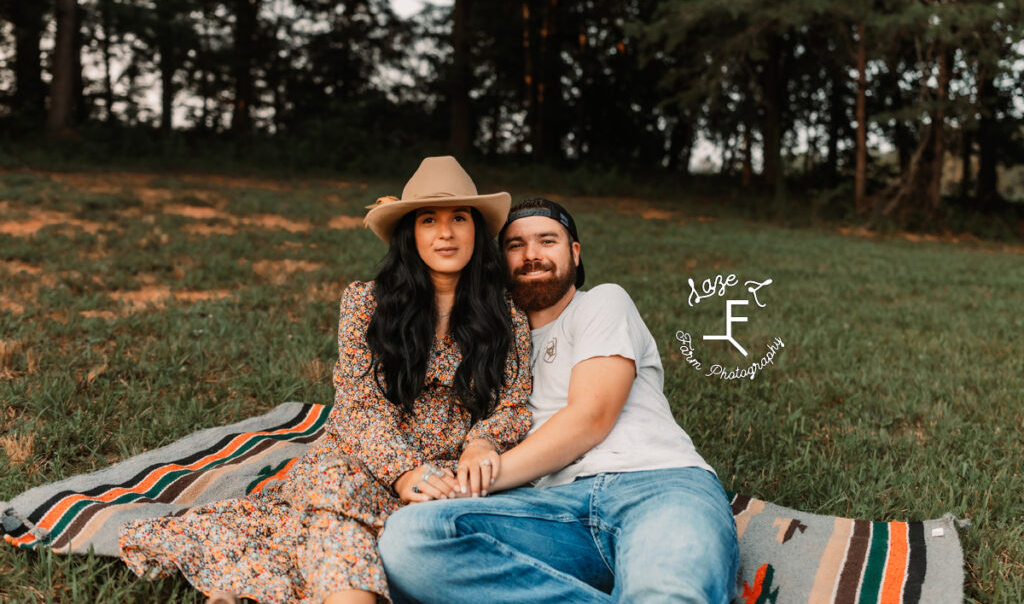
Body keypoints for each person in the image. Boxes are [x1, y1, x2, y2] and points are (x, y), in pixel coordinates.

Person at [118, 156, 533, 604]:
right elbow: (358, 405)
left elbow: (514, 404)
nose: (445, 232)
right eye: (428, 219)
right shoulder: (366, 303)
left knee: (321, 524)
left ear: (477, 230)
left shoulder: (506, 314)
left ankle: (256, 584)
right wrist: (402, 470)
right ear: (410, 234)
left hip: (446, 474)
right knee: (334, 488)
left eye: (459, 218)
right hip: (365, 455)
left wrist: (483, 442)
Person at [379, 197, 739, 604]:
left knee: (666, 595)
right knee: (411, 539)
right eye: (515, 245)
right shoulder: (487, 347)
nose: (531, 255)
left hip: (655, 487)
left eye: (547, 240)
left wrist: (473, 483)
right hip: (549, 513)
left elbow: (591, 418)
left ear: (574, 252)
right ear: (498, 261)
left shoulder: (602, 303)